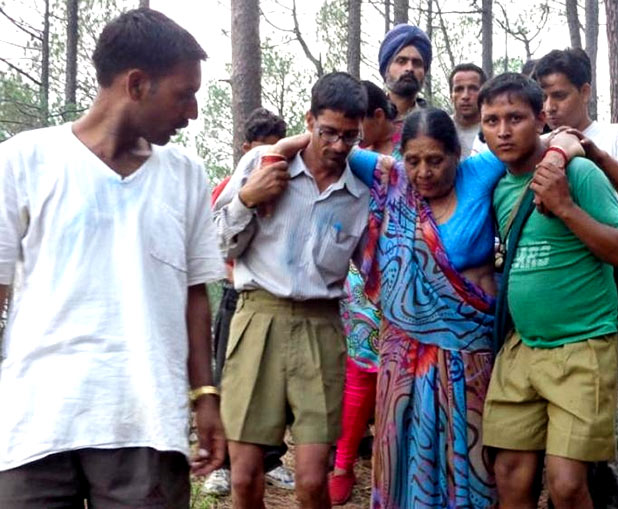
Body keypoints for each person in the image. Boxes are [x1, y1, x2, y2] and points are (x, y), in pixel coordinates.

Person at [263, 106, 581, 507]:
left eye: (435, 160)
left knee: (469, 460)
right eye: (413, 160)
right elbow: (321, 142)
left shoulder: (481, 171)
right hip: (402, 359)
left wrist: (557, 155)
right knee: (404, 458)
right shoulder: (389, 176)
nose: (423, 172)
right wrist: (277, 151)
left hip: (469, 357)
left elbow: (562, 138)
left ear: (456, 155)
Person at [0, 8, 225, 508]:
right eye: (185, 93)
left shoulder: (185, 175)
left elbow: (195, 298)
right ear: (138, 84)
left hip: (145, 424)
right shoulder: (23, 160)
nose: (192, 112)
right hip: (35, 424)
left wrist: (205, 396)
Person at [478, 73, 618, 509]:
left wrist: (565, 207)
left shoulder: (579, 172)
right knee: (510, 474)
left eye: (515, 117)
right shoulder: (497, 188)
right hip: (521, 348)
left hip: (582, 343)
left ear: (540, 120)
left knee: (567, 485)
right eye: (491, 120)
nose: (504, 130)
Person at [213, 72, 370, 509]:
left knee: (312, 481)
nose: (339, 145)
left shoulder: (360, 193)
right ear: (310, 120)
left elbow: (374, 268)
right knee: (244, 478)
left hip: (322, 328)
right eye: (329, 132)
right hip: (256, 317)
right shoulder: (264, 164)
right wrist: (246, 198)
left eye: (349, 136)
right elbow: (218, 245)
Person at [204, 107, 294, 496]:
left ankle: (272, 458)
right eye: (259, 153)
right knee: (231, 382)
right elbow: (211, 242)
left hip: (278, 303)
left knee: (279, 387)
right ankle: (222, 465)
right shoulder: (228, 188)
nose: (267, 164)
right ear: (245, 150)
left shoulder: (291, 186)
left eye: (275, 153)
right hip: (235, 297)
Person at [328, 80, 399, 506]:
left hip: (400, 279)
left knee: (390, 382)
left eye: (356, 123)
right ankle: (342, 464)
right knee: (359, 376)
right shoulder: (345, 160)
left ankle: (383, 475)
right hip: (359, 281)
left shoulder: (399, 161)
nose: (346, 136)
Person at [533, 48, 618, 219]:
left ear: (584, 92)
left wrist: (598, 157)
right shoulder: (537, 145)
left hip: (610, 243)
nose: (549, 107)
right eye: (544, 98)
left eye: (559, 96)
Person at [378, 23, 432, 145]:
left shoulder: (433, 123)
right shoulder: (367, 119)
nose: (409, 68)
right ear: (386, 68)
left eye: (417, 63)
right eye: (401, 61)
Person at [449, 63, 489, 158]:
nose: (465, 96)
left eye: (473, 89)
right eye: (459, 89)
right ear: (451, 96)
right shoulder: (440, 129)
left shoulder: (495, 131)